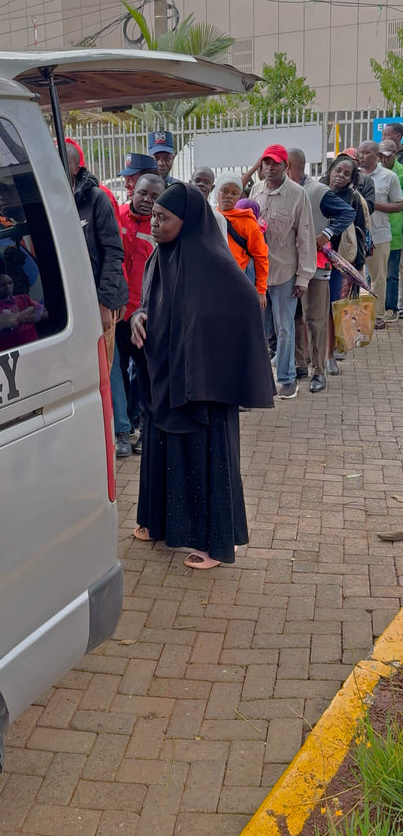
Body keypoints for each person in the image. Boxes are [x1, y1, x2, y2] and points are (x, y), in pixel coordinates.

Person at [130, 182, 274, 569]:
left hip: (204, 386)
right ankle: (160, 524)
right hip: (166, 377)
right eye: (154, 217)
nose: (155, 224)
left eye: (164, 218)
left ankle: (216, 544)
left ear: (188, 220)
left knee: (206, 459)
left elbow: (243, 302)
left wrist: (206, 346)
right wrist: (137, 317)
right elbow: (148, 305)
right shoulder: (160, 257)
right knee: (167, 451)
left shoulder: (211, 261)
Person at [286, 148, 356, 393]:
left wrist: (325, 234)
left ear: (291, 166)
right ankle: (299, 364)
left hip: (315, 266)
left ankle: (319, 371)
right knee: (293, 318)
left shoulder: (317, 191)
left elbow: (348, 212)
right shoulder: (280, 190)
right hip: (287, 266)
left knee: (314, 318)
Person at [251, 145, 316, 399]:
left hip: (284, 272)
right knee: (259, 327)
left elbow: (306, 237)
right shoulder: (256, 191)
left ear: (286, 166)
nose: (269, 167)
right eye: (265, 162)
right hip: (258, 275)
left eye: (275, 163)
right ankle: (259, 377)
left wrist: (303, 277)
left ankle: (287, 379)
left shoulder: (297, 194)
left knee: (285, 327)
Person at [113, 173, 165, 457]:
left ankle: (148, 430)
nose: (147, 200)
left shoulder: (162, 227)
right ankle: (123, 429)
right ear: (133, 190)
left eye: (155, 197)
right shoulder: (116, 216)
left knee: (147, 376)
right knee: (117, 375)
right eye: (143, 193)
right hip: (117, 316)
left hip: (145, 319)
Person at [67, 143, 128, 369]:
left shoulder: (96, 198)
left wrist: (105, 304)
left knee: (103, 370)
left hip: (100, 301)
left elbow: (113, 252)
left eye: (64, 163)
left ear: (76, 168)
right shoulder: (54, 201)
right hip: (72, 304)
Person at [319, 154, 369, 374]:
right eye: (338, 171)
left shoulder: (355, 199)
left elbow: (361, 231)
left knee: (336, 306)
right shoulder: (317, 191)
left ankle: (334, 352)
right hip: (316, 257)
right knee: (312, 309)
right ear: (330, 170)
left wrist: (358, 263)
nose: (340, 176)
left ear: (351, 179)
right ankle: (314, 353)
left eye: (346, 174)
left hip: (341, 258)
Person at [356, 140, 403, 329]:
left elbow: (399, 204)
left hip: (380, 235)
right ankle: (360, 316)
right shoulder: (353, 175)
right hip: (356, 236)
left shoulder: (389, 176)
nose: (362, 156)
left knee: (378, 278)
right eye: (360, 152)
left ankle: (378, 316)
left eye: (366, 153)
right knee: (358, 278)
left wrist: (372, 205)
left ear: (377, 156)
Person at [214, 172, 269, 307]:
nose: (228, 196)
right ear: (216, 191)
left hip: (240, 281)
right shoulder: (210, 217)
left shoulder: (248, 223)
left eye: (234, 193)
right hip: (216, 282)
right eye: (224, 191)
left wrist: (261, 291)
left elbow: (261, 256)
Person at [0, 274, 46, 355]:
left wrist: (17, 318)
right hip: (5, 360)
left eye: (10, 283)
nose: (7, 286)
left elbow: (44, 313)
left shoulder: (24, 298)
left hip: (34, 351)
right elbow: (4, 322)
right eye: (1, 285)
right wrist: (30, 310)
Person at [378, 139, 403, 321]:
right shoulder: (374, 172)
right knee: (376, 274)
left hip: (395, 229)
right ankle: (374, 307)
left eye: (388, 155)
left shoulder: (400, 173)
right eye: (382, 155)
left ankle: (391, 308)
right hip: (376, 231)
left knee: (391, 273)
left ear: (395, 153)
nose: (384, 159)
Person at [190, 166, 229, 243]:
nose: (201, 184)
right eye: (197, 181)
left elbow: (223, 248)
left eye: (206, 182)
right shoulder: (180, 214)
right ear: (190, 183)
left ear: (212, 187)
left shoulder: (217, 218)